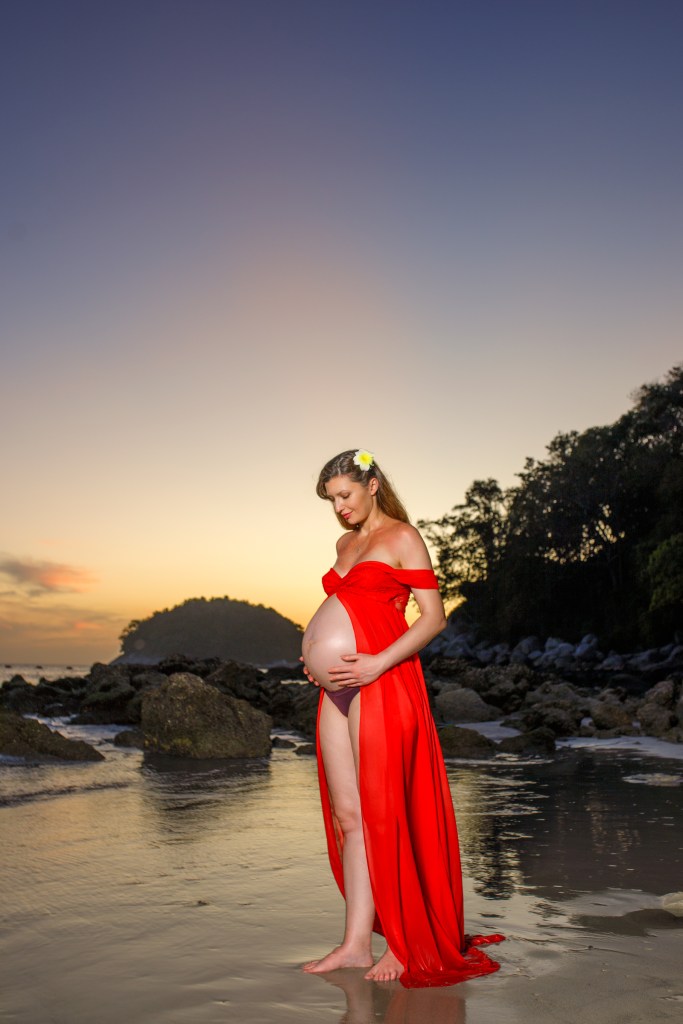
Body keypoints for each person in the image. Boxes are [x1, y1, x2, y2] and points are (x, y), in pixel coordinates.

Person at [301, 449, 504, 987]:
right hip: (338, 690)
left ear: (371, 484)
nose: (339, 508)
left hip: (383, 681)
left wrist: (375, 662)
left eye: (345, 495)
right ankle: (354, 944)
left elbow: (432, 617)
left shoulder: (403, 536)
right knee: (349, 816)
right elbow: (345, 611)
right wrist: (315, 656)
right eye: (331, 500)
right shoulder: (345, 545)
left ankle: (408, 945)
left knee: (385, 810)